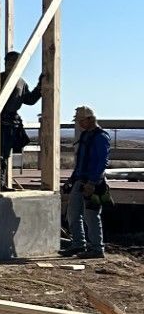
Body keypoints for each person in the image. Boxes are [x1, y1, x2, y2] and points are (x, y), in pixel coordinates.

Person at [63, 105, 111, 259]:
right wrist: (72, 178)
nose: (79, 124)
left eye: (81, 120)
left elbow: (101, 162)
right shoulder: (85, 136)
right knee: (73, 213)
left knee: (91, 215)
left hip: (93, 182)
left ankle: (97, 248)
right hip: (80, 179)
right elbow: (81, 161)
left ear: (90, 119)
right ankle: (78, 244)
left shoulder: (101, 137)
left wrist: (92, 182)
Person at [0, 54, 46, 189]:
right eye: (9, 62)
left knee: (5, 155)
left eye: (15, 63)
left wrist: (39, 87)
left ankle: (1, 184)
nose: (11, 65)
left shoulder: (21, 82)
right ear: (5, 63)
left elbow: (29, 100)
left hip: (11, 124)